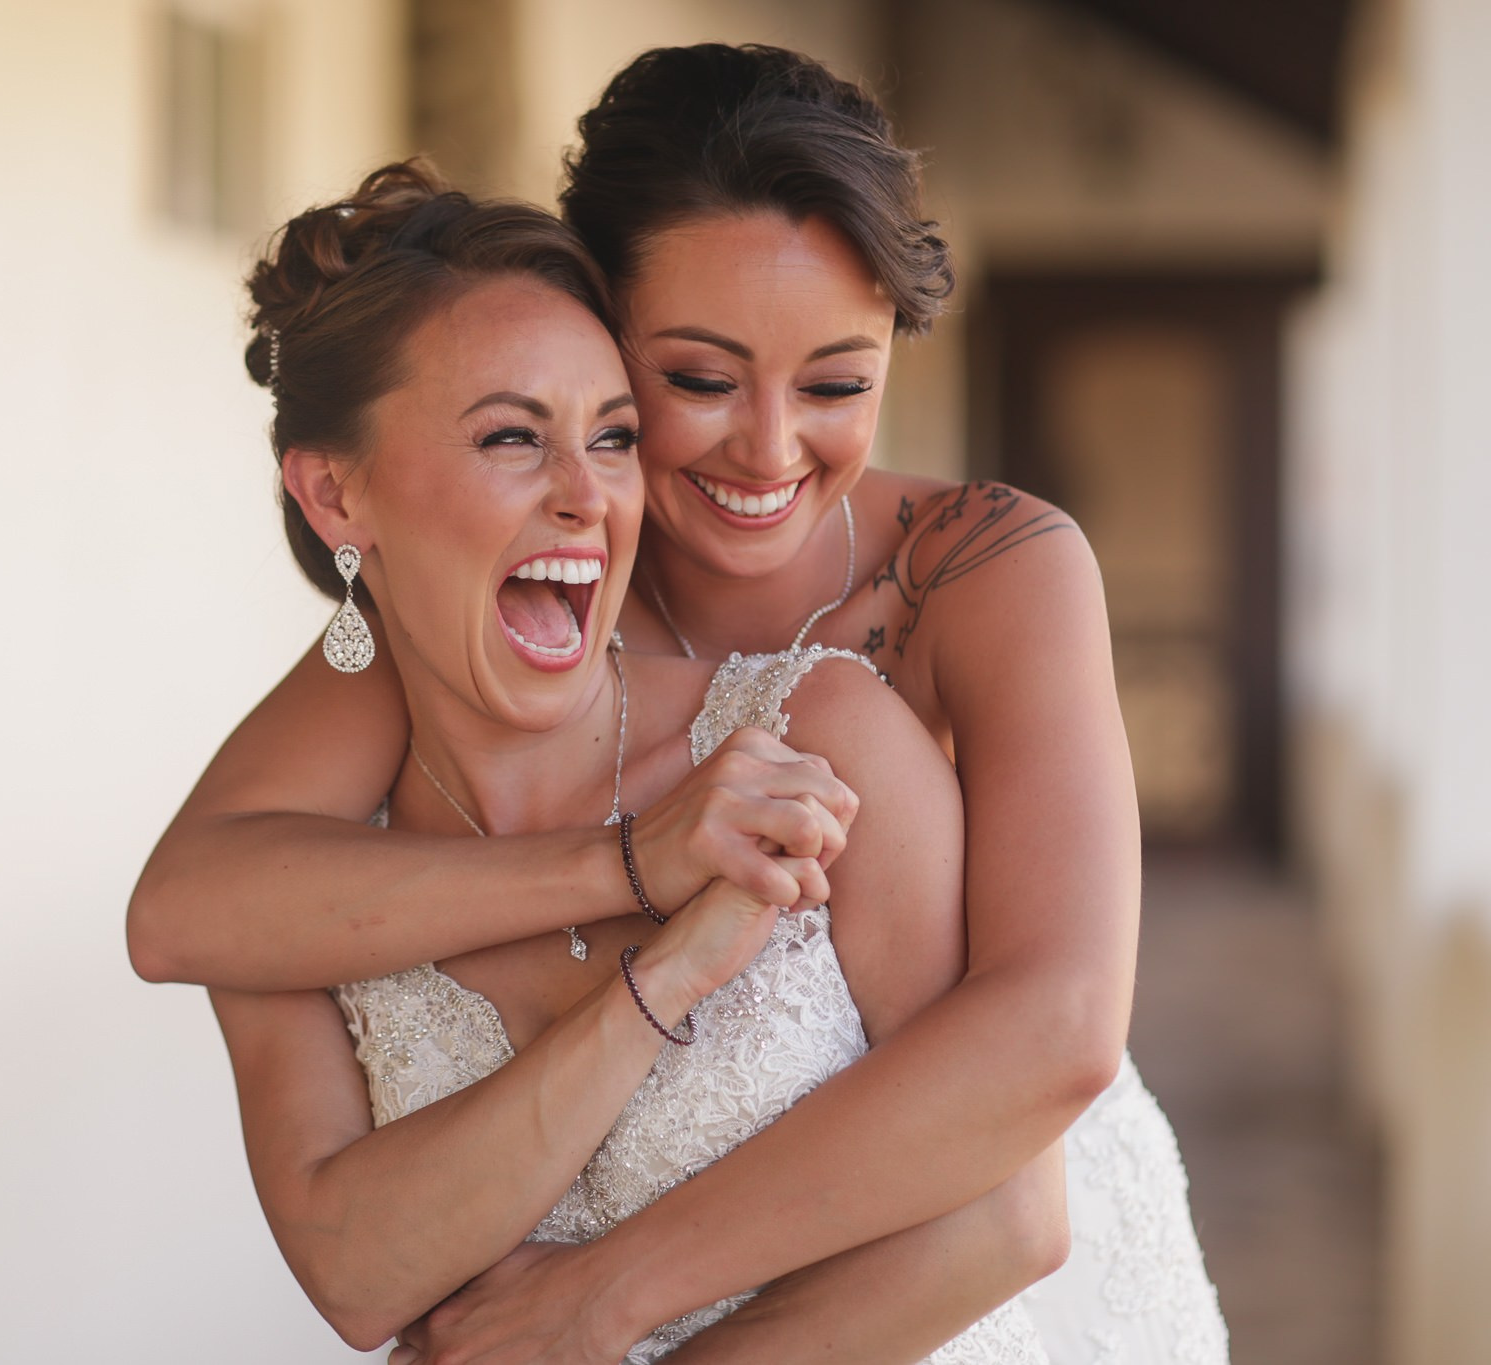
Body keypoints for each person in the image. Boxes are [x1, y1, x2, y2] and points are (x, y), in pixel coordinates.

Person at [133, 44, 1227, 1365]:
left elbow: (1053, 1036)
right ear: (604, 325)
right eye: (699, 381)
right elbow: (193, 902)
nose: (769, 452)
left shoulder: (979, 569)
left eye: (835, 384)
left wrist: (605, 1296)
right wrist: (624, 873)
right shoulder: (544, 560)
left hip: (985, 1230)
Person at [212, 159, 1052, 1362]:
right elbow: (355, 1276)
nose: (584, 498)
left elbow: (1003, 1217)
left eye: (611, 438)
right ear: (335, 496)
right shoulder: (298, 885)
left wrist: (600, 1306)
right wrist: (655, 985)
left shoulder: (820, 735)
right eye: (511, 436)